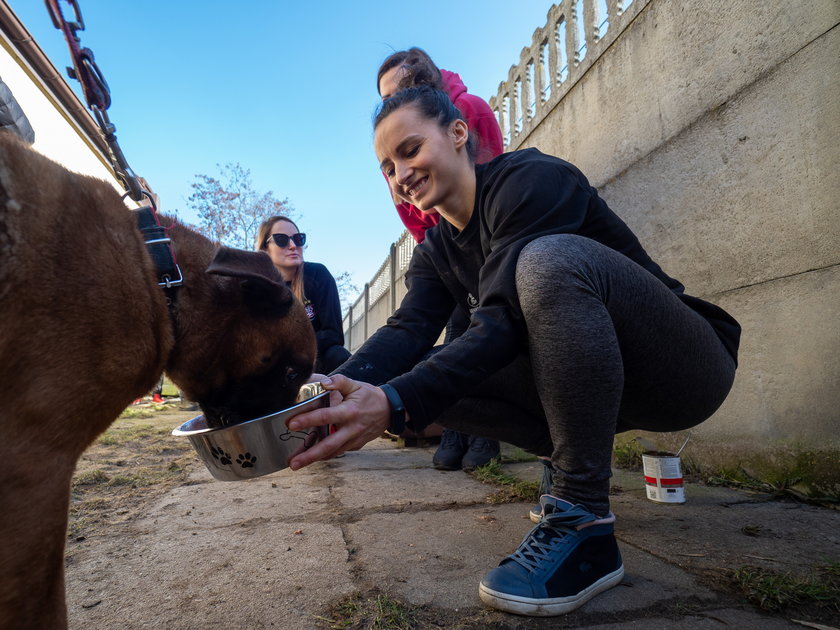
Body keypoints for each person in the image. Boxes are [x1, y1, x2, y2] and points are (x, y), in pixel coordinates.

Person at [287, 86, 740, 616]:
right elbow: (408, 330)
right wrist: (329, 392)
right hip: (590, 391)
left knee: (548, 262)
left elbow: (500, 322)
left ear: (458, 134)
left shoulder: (530, 181)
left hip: (685, 367)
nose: (400, 175)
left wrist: (393, 402)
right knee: (399, 369)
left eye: (409, 151)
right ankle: (561, 454)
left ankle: (584, 516)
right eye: (387, 168)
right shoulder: (434, 250)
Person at [377, 48, 503, 472]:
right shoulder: (393, 154)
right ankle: (456, 426)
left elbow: (484, 172)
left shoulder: (467, 109)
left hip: (484, 235)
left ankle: (488, 431)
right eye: (383, 98)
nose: (400, 174)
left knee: (486, 321)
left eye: (401, 89)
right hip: (442, 243)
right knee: (452, 325)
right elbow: (408, 325)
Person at [256, 216, 350, 373]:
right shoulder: (257, 289)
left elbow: (334, 334)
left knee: (338, 355)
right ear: (265, 249)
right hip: (275, 370)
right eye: (281, 239)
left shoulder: (318, 275)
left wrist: (292, 352)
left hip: (316, 362)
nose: (293, 246)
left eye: (298, 239)